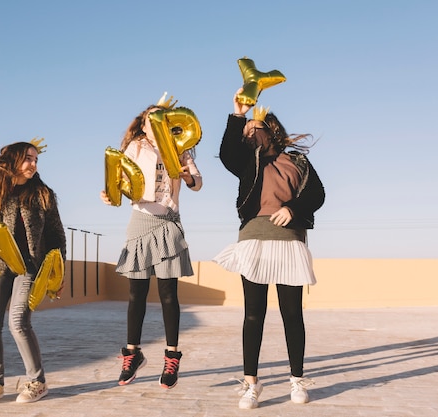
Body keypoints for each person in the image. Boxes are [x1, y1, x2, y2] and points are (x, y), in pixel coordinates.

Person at [213, 88, 325, 409]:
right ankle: (251, 385)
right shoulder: (247, 162)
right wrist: (237, 116)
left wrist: (294, 209)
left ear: (270, 129)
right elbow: (227, 154)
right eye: (245, 131)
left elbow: (316, 194)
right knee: (253, 315)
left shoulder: (298, 162)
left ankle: (297, 380)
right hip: (253, 241)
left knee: (292, 314)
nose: (248, 134)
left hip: (289, 242)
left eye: (253, 129)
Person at [100, 99, 203, 389]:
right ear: (143, 125)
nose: (155, 123)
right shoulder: (134, 147)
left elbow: (197, 181)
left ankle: (172, 357)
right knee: (137, 294)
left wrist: (188, 176)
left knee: (169, 293)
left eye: (161, 119)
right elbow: (117, 181)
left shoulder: (178, 147)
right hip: (140, 221)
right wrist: (107, 195)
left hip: (169, 222)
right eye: (150, 119)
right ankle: (132, 355)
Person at [0, 140, 66, 405]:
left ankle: (37, 381)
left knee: (18, 322)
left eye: (36, 159)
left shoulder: (44, 194)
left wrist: (57, 275)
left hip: (30, 268)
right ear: (13, 161)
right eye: (28, 158)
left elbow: (57, 238)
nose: (33, 164)